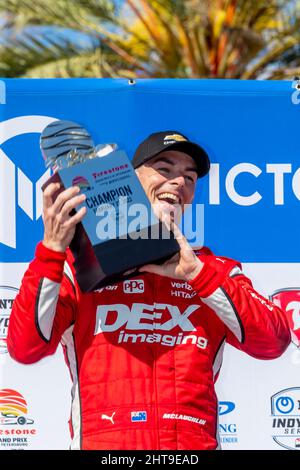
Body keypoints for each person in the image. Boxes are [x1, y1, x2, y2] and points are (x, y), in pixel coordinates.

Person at [7, 130, 290, 450]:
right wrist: (52, 249)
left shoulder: (216, 271)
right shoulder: (80, 269)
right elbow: (26, 346)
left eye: (189, 177)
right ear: (129, 182)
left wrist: (195, 274)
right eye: (165, 170)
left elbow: (273, 341)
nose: (179, 183)